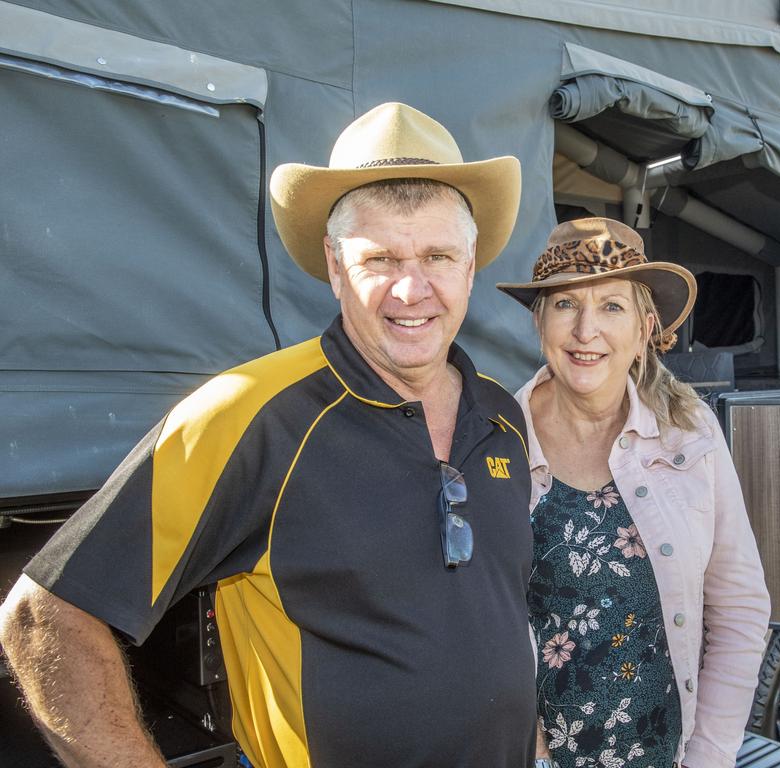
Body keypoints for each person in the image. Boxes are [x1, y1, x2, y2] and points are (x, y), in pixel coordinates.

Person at [0, 103, 537, 768]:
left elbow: (498, 616)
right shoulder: (250, 414)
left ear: (471, 262)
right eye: (380, 259)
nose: (411, 287)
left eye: (437, 255)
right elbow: (45, 616)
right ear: (336, 268)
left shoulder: (503, 418)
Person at [496, 218, 771, 768]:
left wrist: (710, 756)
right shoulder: (496, 435)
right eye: (566, 304)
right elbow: (470, 617)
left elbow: (740, 608)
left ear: (646, 327)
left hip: (664, 751)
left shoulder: (688, 430)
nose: (585, 331)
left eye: (611, 307)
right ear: (540, 321)